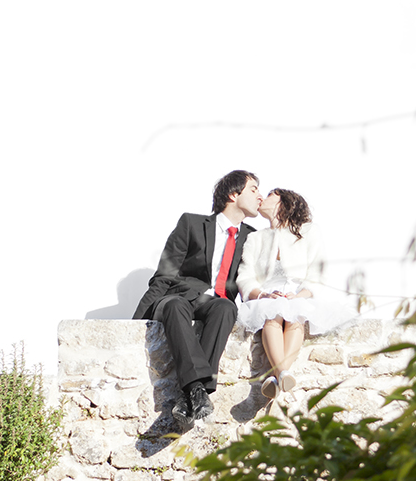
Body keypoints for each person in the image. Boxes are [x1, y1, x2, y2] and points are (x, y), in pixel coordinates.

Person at [133, 170, 260, 426]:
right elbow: (164, 274)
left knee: (225, 307)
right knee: (176, 304)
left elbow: (254, 278)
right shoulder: (191, 224)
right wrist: (137, 317)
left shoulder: (252, 236)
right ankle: (197, 390)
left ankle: (191, 392)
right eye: (254, 189)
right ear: (234, 194)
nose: (260, 196)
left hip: (214, 304)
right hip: (178, 298)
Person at [236, 188, 355, 401]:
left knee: (295, 317)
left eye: (271, 193)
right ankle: (282, 373)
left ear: (284, 201)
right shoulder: (255, 238)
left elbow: (318, 272)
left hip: (298, 293)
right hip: (267, 295)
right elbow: (245, 277)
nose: (263, 196)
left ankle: (277, 375)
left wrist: (301, 295)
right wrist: (262, 294)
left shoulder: (308, 231)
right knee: (272, 315)